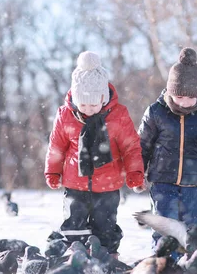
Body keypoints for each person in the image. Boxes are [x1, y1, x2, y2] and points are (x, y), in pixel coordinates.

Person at [45, 51, 145, 255]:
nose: (88, 109)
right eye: (82, 103)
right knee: (74, 223)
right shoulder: (66, 115)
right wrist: (53, 172)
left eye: (93, 104)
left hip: (108, 184)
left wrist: (135, 173)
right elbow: (56, 146)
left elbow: (131, 147)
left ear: (103, 97)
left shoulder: (118, 116)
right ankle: (77, 255)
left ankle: (106, 256)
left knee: (105, 224)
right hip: (75, 182)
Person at [137, 47, 197, 256]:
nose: (185, 102)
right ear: (170, 90)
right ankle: (164, 259)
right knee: (165, 222)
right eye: (179, 96)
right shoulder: (156, 112)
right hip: (162, 179)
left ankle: (192, 259)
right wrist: (138, 172)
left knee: (192, 224)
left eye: (191, 98)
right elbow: (142, 144)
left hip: (192, 181)